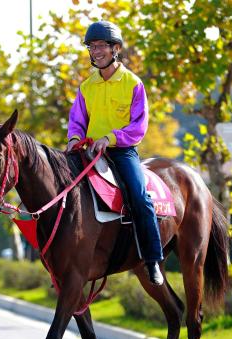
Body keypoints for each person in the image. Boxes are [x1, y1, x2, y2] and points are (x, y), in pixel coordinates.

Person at [66, 20, 163, 285]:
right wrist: (74, 138)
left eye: (100, 46)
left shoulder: (133, 83)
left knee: (141, 198)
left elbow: (138, 126)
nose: (95, 51)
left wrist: (109, 138)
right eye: (91, 46)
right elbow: (77, 120)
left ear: (115, 48)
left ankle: (152, 259)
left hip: (121, 151)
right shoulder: (86, 87)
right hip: (88, 152)